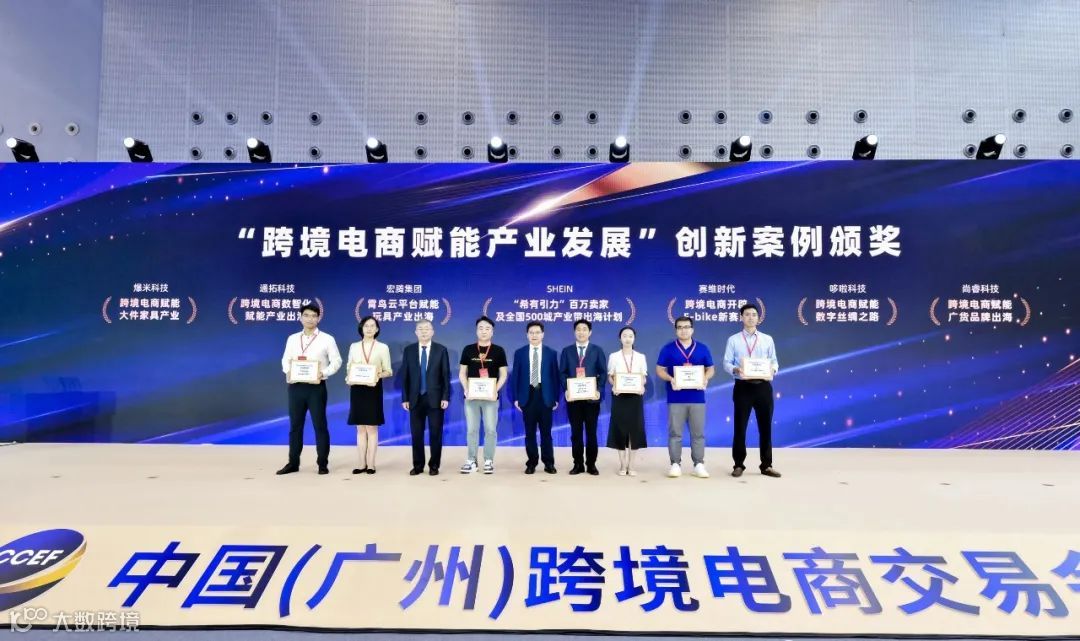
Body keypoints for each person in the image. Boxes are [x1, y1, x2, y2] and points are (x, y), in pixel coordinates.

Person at [277, 303, 341, 476]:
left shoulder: (327, 339)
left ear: (318, 318)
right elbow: (285, 359)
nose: (310, 319)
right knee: (295, 426)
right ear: (300, 318)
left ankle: (322, 464)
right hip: (296, 387)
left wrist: (323, 373)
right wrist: (289, 370)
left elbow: (337, 361)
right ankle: (293, 463)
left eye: (313, 316)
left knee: (320, 426)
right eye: (306, 315)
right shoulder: (292, 338)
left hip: (316, 388)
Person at [723, 303, 781, 478]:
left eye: (754, 314)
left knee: (766, 427)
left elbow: (774, 361)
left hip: (763, 386)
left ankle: (766, 465)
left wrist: (772, 370)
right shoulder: (733, 340)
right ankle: (738, 464)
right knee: (740, 427)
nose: (751, 317)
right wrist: (736, 369)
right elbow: (726, 363)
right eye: (747, 314)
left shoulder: (767, 339)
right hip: (743, 387)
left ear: (758, 318)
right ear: (741, 317)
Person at [655, 316, 715, 479]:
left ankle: (699, 464)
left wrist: (705, 378)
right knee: (675, 433)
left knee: (698, 433)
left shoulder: (702, 348)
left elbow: (711, 369)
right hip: (676, 397)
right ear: (676, 330)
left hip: (697, 398)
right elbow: (659, 370)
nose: (684, 330)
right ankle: (675, 464)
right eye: (680, 327)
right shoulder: (668, 349)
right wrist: (671, 379)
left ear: (692, 329)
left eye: (687, 327)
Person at [400, 319, 451, 476]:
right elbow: (405, 376)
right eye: (420, 329)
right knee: (416, 434)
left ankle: (434, 465)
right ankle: (418, 465)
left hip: (435, 399)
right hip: (415, 399)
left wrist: (445, 397)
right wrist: (405, 398)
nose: (423, 331)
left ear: (432, 332)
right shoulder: (409, 350)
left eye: (427, 329)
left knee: (435, 434)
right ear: (416, 332)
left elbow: (445, 376)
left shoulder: (441, 350)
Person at [459, 316, 508, 474]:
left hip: (490, 398)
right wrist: (466, 388)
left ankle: (488, 460)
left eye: (487, 328)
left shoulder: (498, 350)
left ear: (492, 332)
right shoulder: (468, 349)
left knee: (490, 430)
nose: (484, 331)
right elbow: (462, 373)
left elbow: (503, 374)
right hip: (471, 397)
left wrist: (495, 390)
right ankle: (472, 460)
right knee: (472, 430)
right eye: (481, 328)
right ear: (476, 331)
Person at [511, 321, 560, 474]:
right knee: (530, 433)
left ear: (542, 334)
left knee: (546, 433)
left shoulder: (551, 353)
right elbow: (515, 377)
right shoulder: (520, 353)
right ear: (527, 335)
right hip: (528, 396)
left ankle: (549, 463)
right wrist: (516, 398)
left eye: (537, 332)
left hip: (545, 396)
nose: (534, 335)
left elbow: (555, 377)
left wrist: (556, 398)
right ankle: (531, 463)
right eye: (531, 332)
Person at [558, 319, 606, 475]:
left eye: (584, 329)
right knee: (576, 433)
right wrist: (567, 389)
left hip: (592, 399)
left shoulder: (597, 350)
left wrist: (598, 389)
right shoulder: (567, 351)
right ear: (574, 332)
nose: (581, 332)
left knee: (591, 433)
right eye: (578, 329)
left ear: (590, 332)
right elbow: (562, 372)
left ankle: (591, 464)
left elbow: (603, 372)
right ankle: (578, 464)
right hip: (574, 399)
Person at [347, 316, 393, 475]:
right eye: (366, 325)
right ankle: (361, 463)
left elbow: (388, 371)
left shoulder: (382, 347)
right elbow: (349, 367)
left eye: (372, 326)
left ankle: (371, 464)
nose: (369, 328)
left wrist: (376, 374)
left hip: (373, 390)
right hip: (357, 390)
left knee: (372, 428)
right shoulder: (354, 346)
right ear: (361, 328)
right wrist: (349, 377)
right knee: (360, 428)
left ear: (377, 329)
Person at [606, 326, 648, 476]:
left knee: (634, 430)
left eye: (630, 336)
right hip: (619, 397)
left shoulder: (641, 357)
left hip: (635, 397)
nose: (627, 339)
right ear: (620, 338)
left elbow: (643, 377)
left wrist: (642, 385)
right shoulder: (614, 356)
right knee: (620, 429)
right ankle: (623, 464)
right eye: (625, 336)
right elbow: (610, 376)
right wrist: (615, 385)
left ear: (634, 338)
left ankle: (632, 464)